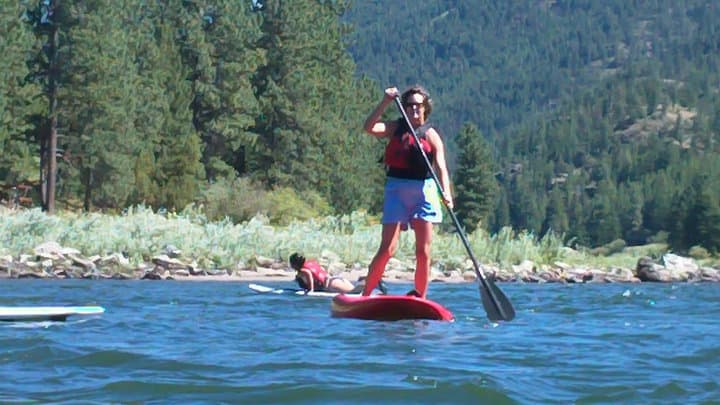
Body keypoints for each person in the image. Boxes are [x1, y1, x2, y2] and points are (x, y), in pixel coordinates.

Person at [361, 85, 453, 299]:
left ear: (425, 108)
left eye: (418, 106)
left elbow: (441, 166)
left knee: (423, 251)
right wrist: (385, 101)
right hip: (397, 189)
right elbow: (369, 127)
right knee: (387, 249)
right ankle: (366, 294)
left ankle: (420, 297)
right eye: (410, 105)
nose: (414, 110)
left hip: (424, 191)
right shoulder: (396, 128)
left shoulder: (431, 135)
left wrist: (446, 193)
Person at [289, 252, 387, 294]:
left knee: (353, 292)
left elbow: (309, 276)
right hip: (333, 279)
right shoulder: (312, 263)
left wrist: (311, 291)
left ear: (294, 264)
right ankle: (365, 279)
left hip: (331, 285)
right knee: (354, 289)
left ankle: (373, 280)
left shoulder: (303, 270)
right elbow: (321, 271)